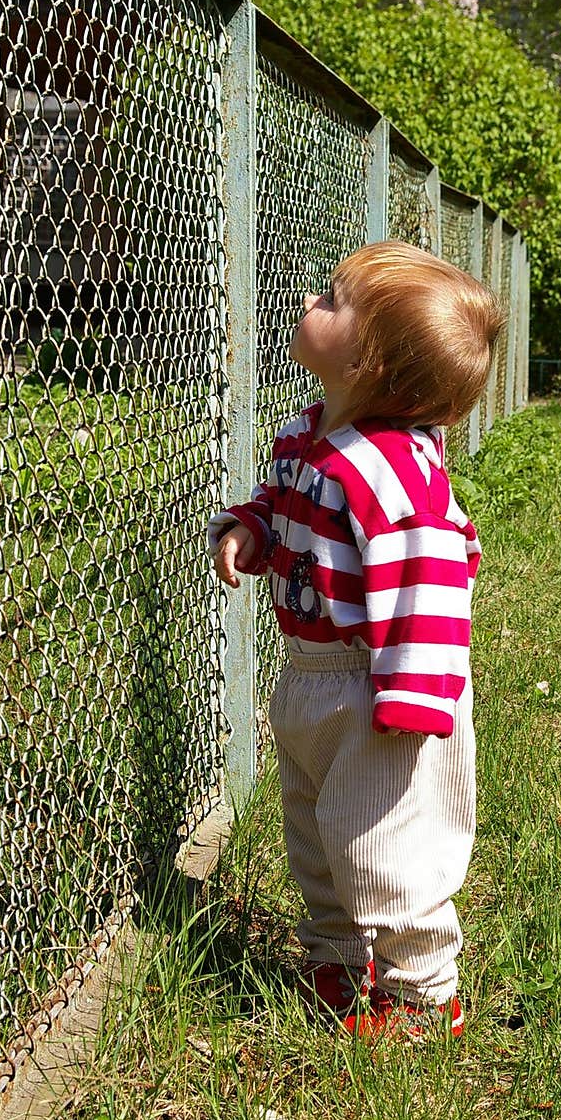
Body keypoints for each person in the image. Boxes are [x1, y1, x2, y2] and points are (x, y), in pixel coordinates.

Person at [207, 240, 504, 1043]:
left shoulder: (397, 474)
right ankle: (336, 958)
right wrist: (252, 526)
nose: (313, 300)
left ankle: (421, 991)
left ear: (372, 366)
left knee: (389, 844)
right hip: (310, 673)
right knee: (312, 826)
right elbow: (287, 501)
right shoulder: (313, 434)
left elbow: (433, 586)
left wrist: (411, 699)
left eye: (333, 299)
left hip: (382, 686)